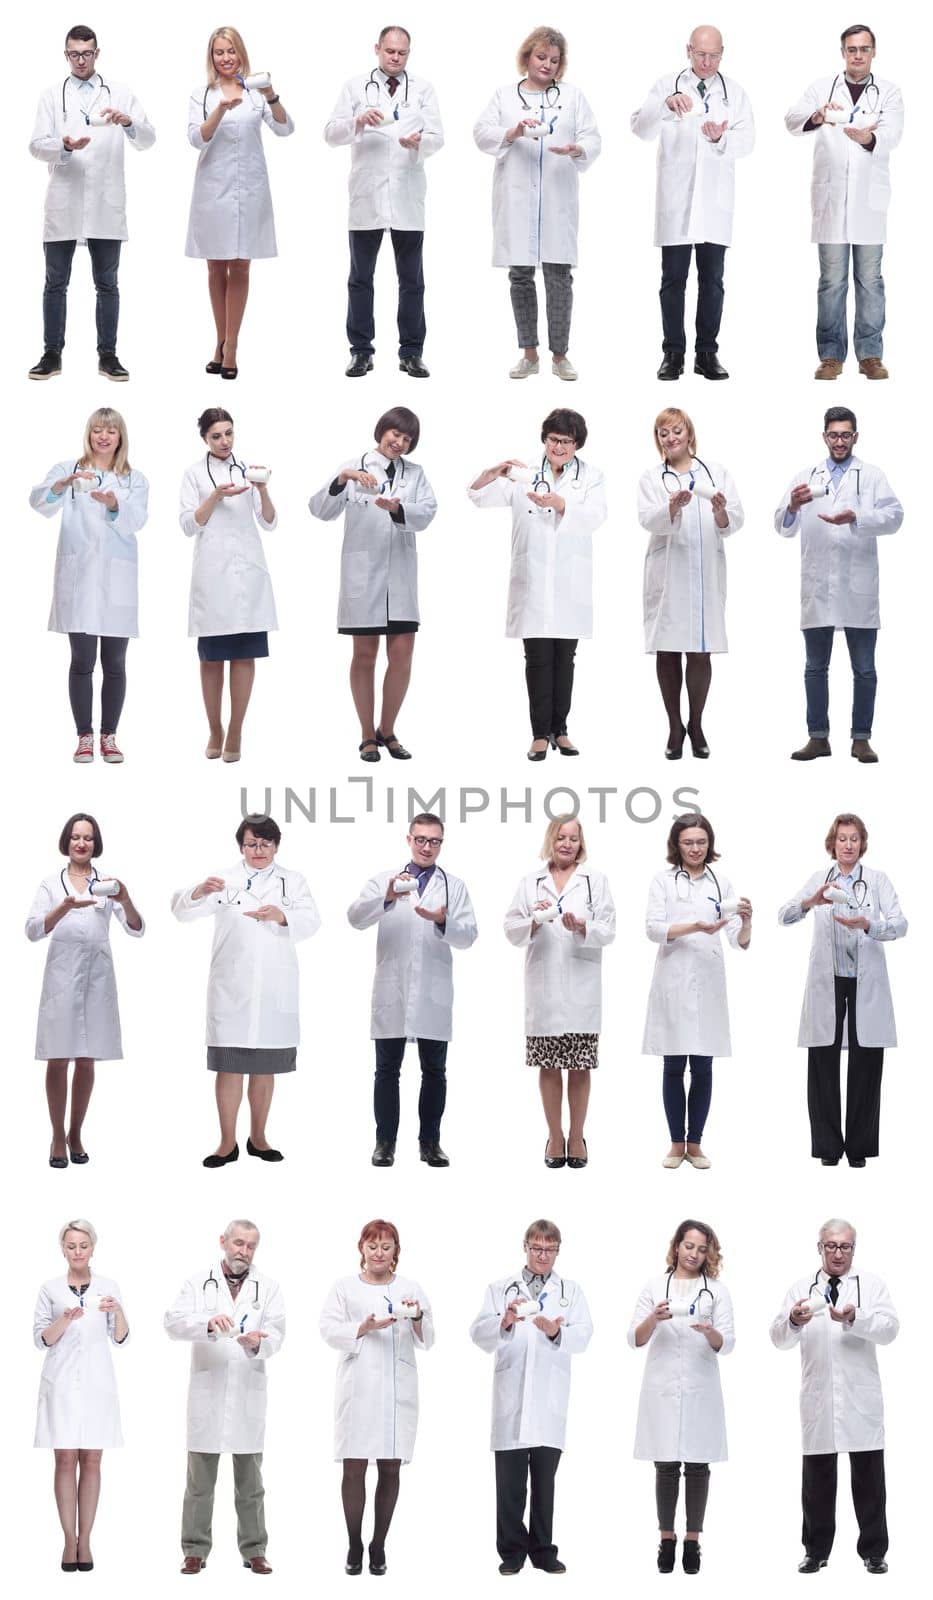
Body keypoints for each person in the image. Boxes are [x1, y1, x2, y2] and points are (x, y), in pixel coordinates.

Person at [172, 813, 320, 1166]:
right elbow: (181, 911)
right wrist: (197, 891)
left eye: (266, 843)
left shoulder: (293, 881)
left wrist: (281, 916)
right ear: (241, 845)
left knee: (265, 1067)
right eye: (252, 843)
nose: (259, 850)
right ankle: (226, 1143)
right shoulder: (223, 880)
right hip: (232, 989)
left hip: (273, 990)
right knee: (230, 1067)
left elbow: (312, 920)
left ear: (276, 846)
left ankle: (259, 1137)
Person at [467, 409, 607, 759]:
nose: (558, 446)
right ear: (544, 439)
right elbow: (478, 497)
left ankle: (561, 730)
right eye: (553, 439)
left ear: (577, 445)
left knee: (566, 658)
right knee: (537, 658)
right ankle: (539, 734)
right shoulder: (523, 473)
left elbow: (596, 516)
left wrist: (560, 503)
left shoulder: (591, 476)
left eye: (566, 441)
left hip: (568, 582)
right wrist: (491, 473)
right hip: (532, 580)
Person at [347, 812, 478, 1167]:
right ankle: (384, 1143)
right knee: (386, 1071)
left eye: (434, 841)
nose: (426, 847)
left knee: (434, 1072)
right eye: (420, 839)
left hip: (433, 993)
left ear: (441, 844)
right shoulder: (384, 881)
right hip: (393, 990)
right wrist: (387, 897)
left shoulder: (454, 886)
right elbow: (356, 918)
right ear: (408, 840)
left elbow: (469, 937)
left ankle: (430, 1144)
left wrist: (443, 920)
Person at [770, 1218, 898, 1575]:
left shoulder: (871, 1286)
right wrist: (795, 1320)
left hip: (861, 1402)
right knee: (817, 1483)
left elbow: (890, 1330)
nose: (838, 1253)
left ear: (854, 1249)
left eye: (845, 1246)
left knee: (870, 1482)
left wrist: (857, 1317)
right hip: (819, 1400)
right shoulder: (801, 1287)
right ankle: (815, 1551)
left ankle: (874, 1551)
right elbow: (778, 1338)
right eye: (831, 1246)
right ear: (820, 1248)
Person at [28, 24, 155, 381]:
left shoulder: (121, 92)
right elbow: (36, 145)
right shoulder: (52, 95)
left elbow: (148, 139)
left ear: (97, 54)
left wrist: (129, 122)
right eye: (74, 54)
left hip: (105, 201)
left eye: (86, 53)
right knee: (55, 281)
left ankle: (108, 356)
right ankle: (52, 354)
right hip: (64, 200)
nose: (80, 60)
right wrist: (64, 146)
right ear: (65, 55)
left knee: (107, 283)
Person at [309, 407, 436, 762]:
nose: (399, 442)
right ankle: (366, 735)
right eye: (395, 434)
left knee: (402, 657)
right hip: (363, 578)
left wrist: (397, 509)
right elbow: (320, 510)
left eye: (407, 439)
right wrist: (340, 479)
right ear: (382, 431)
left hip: (400, 579)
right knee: (364, 656)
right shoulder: (354, 466)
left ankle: (388, 729)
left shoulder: (416, 473)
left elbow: (427, 511)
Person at [778, 813, 906, 1167]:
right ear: (832, 843)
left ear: (863, 843)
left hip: (866, 980)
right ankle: (829, 1148)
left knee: (866, 1065)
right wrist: (810, 903)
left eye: (854, 839)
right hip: (828, 980)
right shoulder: (819, 880)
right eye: (842, 839)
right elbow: (784, 914)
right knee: (823, 1064)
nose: (848, 845)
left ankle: (859, 1149)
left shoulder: (878, 881)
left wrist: (869, 925)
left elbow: (900, 925)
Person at [775, 407, 903, 763]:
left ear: (856, 437)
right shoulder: (805, 476)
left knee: (864, 669)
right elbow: (782, 527)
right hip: (818, 588)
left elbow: (895, 517)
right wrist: (792, 506)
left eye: (846, 435)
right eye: (834, 435)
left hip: (858, 588)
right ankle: (818, 738)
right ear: (824, 437)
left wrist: (857, 516)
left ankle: (861, 739)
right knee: (815, 668)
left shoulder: (872, 475)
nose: (840, 441)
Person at [474, 27, 601, 380]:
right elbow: (481, 133)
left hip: (557, 197)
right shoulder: (504, 96)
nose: (547, 64)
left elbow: (592, 136)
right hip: (517, 199)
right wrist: (512, 132)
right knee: (521, 276)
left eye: (554, 60)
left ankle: (560, 356)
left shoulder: (573, 96)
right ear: (527, 56)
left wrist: (578, 148)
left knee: (559, 277)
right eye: (541, 57)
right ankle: (529, 354)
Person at [469, 1219, 593, 1575]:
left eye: (550, 1249)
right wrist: (505, 1321)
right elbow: (478, 1334)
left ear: (558, 1251)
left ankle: (543, 1551)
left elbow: (584, 1336)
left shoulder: (571, 1291)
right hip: (511, 1399)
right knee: (509, 1487)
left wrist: (557, 1331)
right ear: (525, 1246)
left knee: (544, 1485)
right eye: (537, 1247)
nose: (543, 1255)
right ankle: (511, 1552)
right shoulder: (499, 1289)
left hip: (549, 1401)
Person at [630, 25, 754, 380]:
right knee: (673, 281)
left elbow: (748, 141)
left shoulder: (736, 93)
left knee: (713, 282)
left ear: (722, 53)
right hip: (677, 202)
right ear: (688, 50)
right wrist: (665, 108)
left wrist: (722, 137)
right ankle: (673, 354)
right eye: (701, 54)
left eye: (714, 55)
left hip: (715, 204)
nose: (707, 62)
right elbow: (640, 129)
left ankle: (707, 354)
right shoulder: (667, 85)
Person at [165, 1219, 285, 1576]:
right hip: (208, 1394)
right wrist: (206, 1323)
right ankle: (194, 1550)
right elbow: (172, 1322)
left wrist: (258, 1343)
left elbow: (278, 1334)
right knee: (199, 1484)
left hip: (248, 1393)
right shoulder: (198, 1283)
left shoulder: (269, 1287)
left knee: (251, 1485)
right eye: (237, 1243)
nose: (243, 1252)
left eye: (250, 1246)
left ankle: (255, 1549)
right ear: (223, 1242)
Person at [30, 408, 149, 764]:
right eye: (97, 430)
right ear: (89, 434)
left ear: (120, 436)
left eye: (110, 431)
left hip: (117, 579)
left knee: (115, 661)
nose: (103, 436)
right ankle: (84, 736)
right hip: (79, 579)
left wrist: (114, 504)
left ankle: (109, 737)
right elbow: (38, 503)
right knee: (82, 660)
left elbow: (137, 519)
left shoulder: (134, 479)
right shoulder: (67, 469)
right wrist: (60, 486)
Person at [785, 26, 903, 380]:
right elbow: (791, 120)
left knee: (870, 280)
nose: (857, 55)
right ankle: (831, 356)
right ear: (842, 52)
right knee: (832, 281)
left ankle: (870, 355)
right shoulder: (822, 88)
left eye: (864, 49)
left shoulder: (890, 93)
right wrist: (819, 115)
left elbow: (893, 133)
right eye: (851, 49)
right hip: (832, 201)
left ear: (874, 52)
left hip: (869, 202)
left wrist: (870, 137)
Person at [324, 26, 443, 378]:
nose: (395, 57)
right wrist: (357, 121)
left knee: (412, 281)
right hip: (367, 197)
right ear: (377, 48)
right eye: (390, 51)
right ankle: (361, 351)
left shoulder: (423, 89)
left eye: (402, 53)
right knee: (360, 278)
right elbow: (330, 133)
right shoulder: (355, 87)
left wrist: (419, 142)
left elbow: (438, 137)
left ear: (409, 53)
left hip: (407, 195)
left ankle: (411, 352)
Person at [26, 813, 144, 1168]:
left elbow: (137, 929)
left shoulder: (107, 884)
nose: (81, 843)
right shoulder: (51, 884)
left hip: (97, 977)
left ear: (96, 843)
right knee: (58, 1057)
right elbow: (32, 931)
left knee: (87, 1058)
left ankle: (76, 1132)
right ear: (66, 841)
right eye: (76, 837)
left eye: (88, 838)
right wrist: (62, 908)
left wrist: (124, 899)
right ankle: (56, 1135)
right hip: (61, 977)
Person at [320, 1219, 434, 1575]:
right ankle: (354, 1542)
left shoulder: (410, 1286)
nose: (379, 1253)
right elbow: (327, 1329)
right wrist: (362, 1327)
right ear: (362, 1250)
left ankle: (378, 1544)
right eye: (372, 1247)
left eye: (386, 1247)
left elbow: (428, 1338)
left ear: (396, 1251)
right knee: (354, 1467)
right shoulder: (344, 1287)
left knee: (390, 1466)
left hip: (397, 1390)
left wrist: (416, 1316)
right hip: (358, 1388)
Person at [504, 815, 616, 1167]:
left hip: (582, 986)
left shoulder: (595, 881)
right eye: (560, 837)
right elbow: (511, 928)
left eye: (573, 838)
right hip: (545, 988)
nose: (567, 844)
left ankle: (577, 1136)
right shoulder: (530, 882)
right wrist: (534, 921)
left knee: (580, 1066)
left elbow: (609, 929)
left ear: (581, 844)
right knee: (549, 1066)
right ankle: (555, 1136)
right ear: (550, 841)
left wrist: (583, 926)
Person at [643, 813, 751, 1170]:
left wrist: (746, 922)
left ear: (710, 844)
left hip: (707, 980)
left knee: (703, 1065)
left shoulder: (722, 882)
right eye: (688, 842)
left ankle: (696, 1144)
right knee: (674, 1064)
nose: (695, 848)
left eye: (701, 842)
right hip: (673, 979)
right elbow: (654, 928)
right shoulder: (663, 881)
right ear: (677, 845)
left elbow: (738, 940)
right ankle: (676, 1145)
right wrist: (695, 926)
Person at [627, 1220, 734, 1575]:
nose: (694, 1254)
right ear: (676, 1246)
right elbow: (634, 1338)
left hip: (701, 1387)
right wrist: (654, 1320)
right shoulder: (655, 1286)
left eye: (702, 1249)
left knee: (699, 1466)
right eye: (689, 1246)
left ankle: (692, 1542)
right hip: (662, 1387)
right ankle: (666, 1539)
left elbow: (728, 1343)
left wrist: (710, 1331)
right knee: (666, 1465)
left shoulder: (716, 1291)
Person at [186, 27, 294, 380]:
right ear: (211, 57)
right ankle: (219, 340)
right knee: (216, 266)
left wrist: (272, 94)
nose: (226, 58)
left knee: (242, 265)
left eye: (231, 51)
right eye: (219, 52)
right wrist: (219, 109)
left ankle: (231, 346)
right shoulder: (202, 94)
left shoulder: (256, 93)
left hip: (249, 190)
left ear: (241, 54)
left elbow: (285, 129)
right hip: (213, 191)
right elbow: (195, 138)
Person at [637, 408, 744, 759]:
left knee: (700, 650)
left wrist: (719, 511)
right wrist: (671, 507)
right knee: (667, 649)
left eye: (676, 430)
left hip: (704, 572)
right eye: (663, 433)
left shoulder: (716, 473)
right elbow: (647, 519)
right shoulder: (652, 478)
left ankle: (696, 724)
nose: (671, 438)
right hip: (668, 573)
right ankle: (673, 727)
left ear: (689, 433)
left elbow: (734, 520)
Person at [179, 408, 280, 762]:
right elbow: (189, 524)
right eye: (217, 436)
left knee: (244, 655)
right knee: (211, 660)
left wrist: (263, 491)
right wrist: (215, 497)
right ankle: (215, 728)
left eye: (229, 434)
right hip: (213, 577)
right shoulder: (194, 474)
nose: (224, 441)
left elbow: (269, 522)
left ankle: (236, 728)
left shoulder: (248, 470)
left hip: (248, 576)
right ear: (205, 439)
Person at [34, 1220, 129, 1573]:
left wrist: (118, 1311)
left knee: (91, 1462)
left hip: (97, 1384)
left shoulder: (108, 1287)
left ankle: (86, 1541)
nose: (77, 1251)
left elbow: (120, 1339)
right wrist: (66, 1319)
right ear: (62, 1248)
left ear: (93, 1248)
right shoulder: (50, 1289)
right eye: (71, 1245)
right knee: (63, 1460)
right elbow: (41, 1338)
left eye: (83, 1245)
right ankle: (67, 1541)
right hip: (60, 1385)